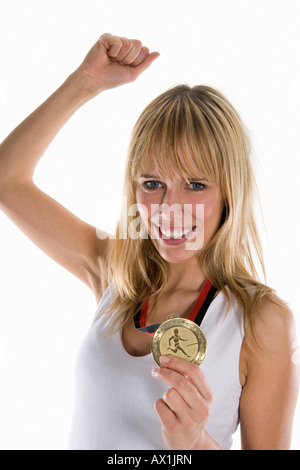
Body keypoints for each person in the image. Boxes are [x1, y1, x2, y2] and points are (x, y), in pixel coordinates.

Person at [0, 33, 299, 451]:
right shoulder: (113, 270)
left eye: (195, 184)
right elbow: (7, 181)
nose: (169, 207)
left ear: (229, 194)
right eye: (153, 183)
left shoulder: (261, 321)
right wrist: (84, 81)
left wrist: (195, 443)